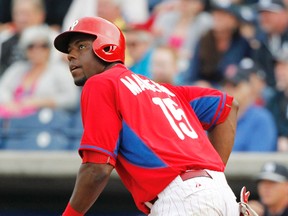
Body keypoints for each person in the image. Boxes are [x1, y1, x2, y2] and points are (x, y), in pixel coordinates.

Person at [54, 16, 241, 216]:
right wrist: (210, 177)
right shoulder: (165, 90)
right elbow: (228, 107)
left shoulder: (101, 83)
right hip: (223, 196)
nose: (71, 56)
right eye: (69, 51)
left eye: (81, 46)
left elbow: (96, 169)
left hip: (183, 200)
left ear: (107, 48)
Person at [0, 25, 79, 118]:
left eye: (43, 46)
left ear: (49, 49)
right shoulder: (17, 68)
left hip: (44, 122)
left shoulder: (59, 70)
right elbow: (2, 89)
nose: (37, 50)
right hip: (11, 119)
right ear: (25, 49)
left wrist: (41, 102)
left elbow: (72, 98)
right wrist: (10, 103)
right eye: (31, 46)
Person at [185, 2, 252, 87]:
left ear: (234, 21)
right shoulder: (204, 40)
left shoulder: (242, 44)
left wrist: (214, 88)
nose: (217, 17)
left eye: (223, 15)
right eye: (216, 13)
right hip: (201, 89)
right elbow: (191, 74)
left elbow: (243, 75)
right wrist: (198, 84)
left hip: (229, 91)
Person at [222, 59, 277, 152]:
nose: (229, 90)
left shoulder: (261, 118)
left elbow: (256, 160)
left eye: (235, 85)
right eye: (226, 85)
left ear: (248, 88)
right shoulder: (216, 117)